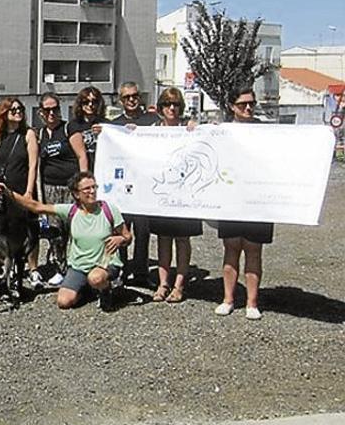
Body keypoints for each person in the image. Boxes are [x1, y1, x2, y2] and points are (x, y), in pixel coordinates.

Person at [1, 171, 132, 311]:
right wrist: (9, 193)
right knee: (63, 302)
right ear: (76, 194)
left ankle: (105, 290)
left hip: (105, 264)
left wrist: (120, 239)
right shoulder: (71, 211)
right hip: (79, 266)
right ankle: (88, 290)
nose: (92, 191)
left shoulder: (108, 209)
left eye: (94, 187)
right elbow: (37, 207)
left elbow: (128, 237)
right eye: (87, 189)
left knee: (96, 278)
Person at [214, 88, 273, 320]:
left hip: (258, 199)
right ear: (231, 106)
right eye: (242, 104)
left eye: (251, 104)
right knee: (231, 249)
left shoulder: (266, 130)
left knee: (253, 251)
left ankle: (251, 302)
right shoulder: (221, 131)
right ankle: (228, 299)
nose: (248, 108)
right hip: (231, 198)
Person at [148, 88, 202, 304]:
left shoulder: (188, 129)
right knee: (163, 238)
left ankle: (179, 284)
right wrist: (131, 133)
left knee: (182, 239)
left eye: (176, 104)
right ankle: (163, 284)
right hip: (162, 192)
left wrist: (197, 129)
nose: (172, 108)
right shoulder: (152, 130)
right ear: (161, 107)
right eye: (168, 104)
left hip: (185, 194)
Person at [0, 97, 40, 288]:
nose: (18, 112)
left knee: (22, 231)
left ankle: (24, 272)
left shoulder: (28, 134)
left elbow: (33, 166)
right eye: (13, 109)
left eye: (20, 109)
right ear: (4, 113)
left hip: (20, 189)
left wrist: (30, 191)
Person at [109, 82, 156, 285]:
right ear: (121, 100)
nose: (131, 100)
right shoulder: (115, 124)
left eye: (134, 96)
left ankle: (141, 273)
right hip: (123, 188)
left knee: (143, 232)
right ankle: (121, 271)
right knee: (121, 231)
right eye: (127, 97)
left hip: (145, 187)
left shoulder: (153, 121)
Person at [35, 92, 78, 288]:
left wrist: (83, 185)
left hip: (70, 187)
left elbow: (82, 156)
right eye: (47, 110)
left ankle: (77, 268)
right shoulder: (41, 134)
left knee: (75, 230)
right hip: (50, 187)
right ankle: (60, 268)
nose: (52, 113)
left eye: (55, 109)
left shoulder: (69, 129)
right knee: (55, 232)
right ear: (41, 113)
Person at [67, 86, 108, 172]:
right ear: (80, 104)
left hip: (103, 169)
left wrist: (105, 132)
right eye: (86, 102)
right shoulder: (74, 125)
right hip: (81, 170)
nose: (90, 105)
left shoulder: (106, 124)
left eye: (94, 101)